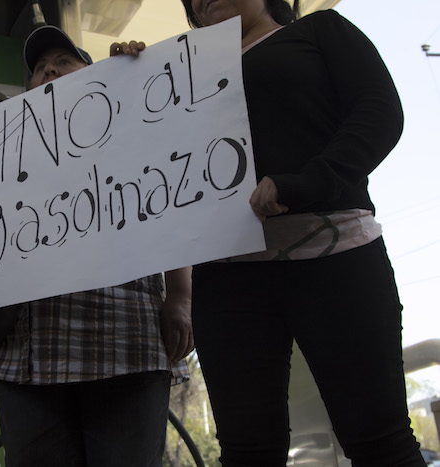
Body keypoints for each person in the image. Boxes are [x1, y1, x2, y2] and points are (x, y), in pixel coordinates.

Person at [112, 1, 425, 465]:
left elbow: (378, 113)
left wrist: (305, 183)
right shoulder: (176, 73)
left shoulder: (322, 30)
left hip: (337, 262)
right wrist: (128, 83)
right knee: (246, 452)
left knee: (379, 442)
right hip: (227, 282)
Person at [0, 24, 193, 467]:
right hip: (29, 349)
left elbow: (173, 205)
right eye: (40, 68)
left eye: (64, 62)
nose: (49, 71)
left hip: (128, 338)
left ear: (92, 72)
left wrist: (180, 295)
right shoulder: (9, 147)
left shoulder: (133, 123)